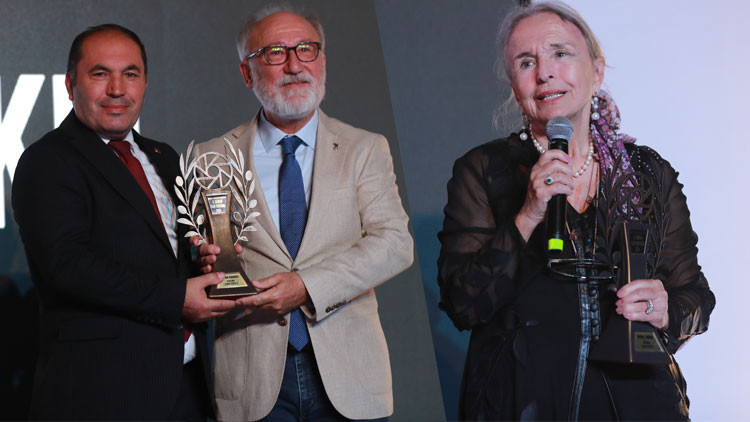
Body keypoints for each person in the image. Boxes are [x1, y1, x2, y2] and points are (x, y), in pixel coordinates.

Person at [437, 2, 715, 420]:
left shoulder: (647, 173)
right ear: (515, 87)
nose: (544, 73)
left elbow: (696, 299)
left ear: (597, 71)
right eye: (526, 62)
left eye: (560, 53)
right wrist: (529, 214)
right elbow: (463, 303)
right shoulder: (483, 170)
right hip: (524, 405)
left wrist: (665, 310)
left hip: (640, 403)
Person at [193, 4, 413, 421]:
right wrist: (205, 260)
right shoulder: (210, 158)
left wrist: (305, 286)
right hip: (252, 382)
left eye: (306, 49)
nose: (294, 66)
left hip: (350, 375)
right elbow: (210, 258)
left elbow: (394, 244)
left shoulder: (365, 149)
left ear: (322, 61)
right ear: (247, 73)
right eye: (275, 53)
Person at [12, 24, 236, 421]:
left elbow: (173, 250)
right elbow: (68, 267)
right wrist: (177, 297)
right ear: (70, 85)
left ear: (145, 84)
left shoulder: (164, 157)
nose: (117, 89)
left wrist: (205, 257)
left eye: (130, 74)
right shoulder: (47, 161)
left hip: (187, 387)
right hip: (102, 395)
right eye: (100, 74)